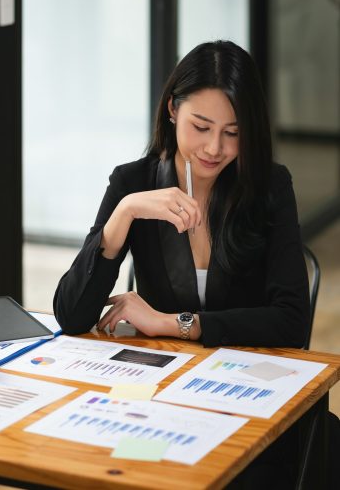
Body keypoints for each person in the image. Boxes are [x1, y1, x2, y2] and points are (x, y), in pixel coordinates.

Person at [53, 40, 310, 350]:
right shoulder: (133, 183)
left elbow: (293, 323)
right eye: (201, 127)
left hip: (249, 373)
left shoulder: (269, 185)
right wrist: (124, 213)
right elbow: (72, 316)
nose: (215, 148)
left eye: (233, 133)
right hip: (164, 378)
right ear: (173, 109)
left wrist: (173, 323)